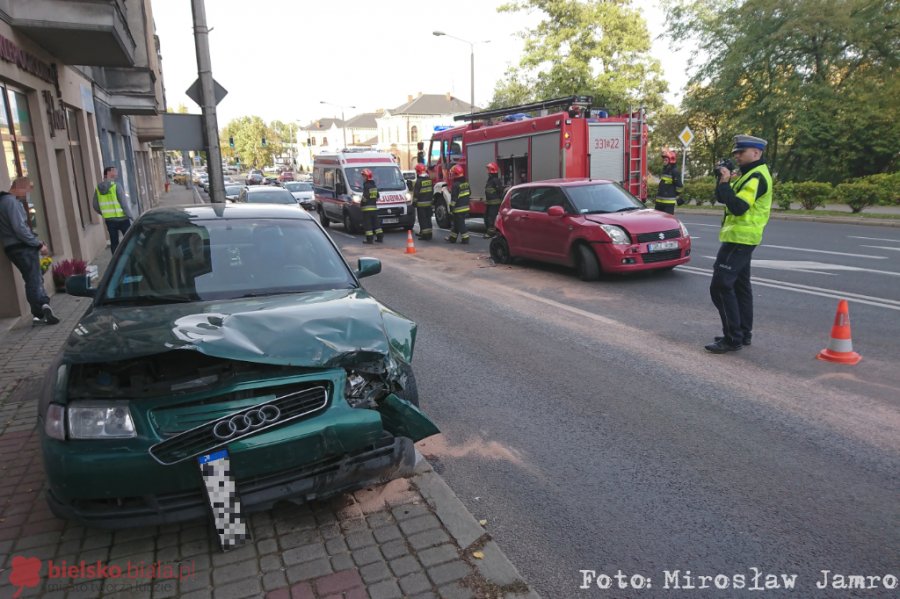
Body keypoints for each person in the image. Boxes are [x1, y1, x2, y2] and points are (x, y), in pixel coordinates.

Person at [706, 134, 773, 354]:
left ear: (756, 153)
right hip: (741, 238)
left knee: (720, 287)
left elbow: (738, 207)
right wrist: (722, 179)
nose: (736, 156)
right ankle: (743, 334)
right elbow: (723, 198)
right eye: (735, 153)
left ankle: (732, 337)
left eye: (740, 153)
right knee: (741, 287)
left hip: (739, 240)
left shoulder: (756, 177)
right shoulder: (748, 174)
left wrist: (726, 181)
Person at [0, 177, 59, 325]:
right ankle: (42, 307)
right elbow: (20, 229)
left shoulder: (3, 202)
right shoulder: (11, 202)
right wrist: (38, 244)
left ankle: (38, 315)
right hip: (22, 247)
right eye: (27, 191)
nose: (27, 195)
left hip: (12, 247)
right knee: (34, 279)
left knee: (31, 278)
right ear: (19, 187)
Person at [92, 166, 135, 254]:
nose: (117, 172)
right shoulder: (116, 186)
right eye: (114, 171)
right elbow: (124, 204)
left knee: (114, 242)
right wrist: (131, 217)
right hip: (123, 219)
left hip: (110, 220)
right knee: (129, 241)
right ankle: (131, 259)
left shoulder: (98, 188)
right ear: (108, 173)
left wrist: (104, 213)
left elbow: (95, 205)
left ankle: (116, 263)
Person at [445, 164, 470, 244]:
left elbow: (454, 198)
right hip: (465, 206)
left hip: (458, 208)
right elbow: (469, 193)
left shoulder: (455, 185)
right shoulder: (466, 183)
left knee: (460, 224)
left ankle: (465, 238)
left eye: (453, 173)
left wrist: (451, 207)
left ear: (455, 174)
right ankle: (452, 238)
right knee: (456, 223)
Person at [655, 149, 684, 214]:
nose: (664, 162)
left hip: (668, 203)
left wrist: (675, 194)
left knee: (667, 221)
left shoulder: (674, 171)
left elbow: (680, 187)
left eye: (666, 160)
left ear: (671, 161)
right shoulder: (665, 170)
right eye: (664, 160)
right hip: (659, 202)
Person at [360, 168, 383, 244]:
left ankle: (369, 240)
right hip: (374, 208)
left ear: (366, 176)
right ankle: (380, 237)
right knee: (376, 223)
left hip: (367, 209)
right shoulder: (374, 185)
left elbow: (364, 197)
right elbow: (377, 196)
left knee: (368, 225)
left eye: (363, 176)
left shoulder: (366, 186)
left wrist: (361, 204)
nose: (362, 178)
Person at [412, 163, 433, 240]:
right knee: (428, 219)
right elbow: (432, 191)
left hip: (421, 204)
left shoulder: (419, 181)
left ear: (418, 171)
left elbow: (416, 194)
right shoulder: (429, 180)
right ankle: (429, 234)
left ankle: (425, 235)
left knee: (423, 220)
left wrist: (414, 202)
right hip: (429, 203)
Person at [483, 162, 503, 238]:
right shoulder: (490, 180)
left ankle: (491, 233)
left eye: (488, 169)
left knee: (492, 218)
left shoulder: (495, 180)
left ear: (492, 170)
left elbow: (500, 190)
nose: (487, 171)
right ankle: (489, 231)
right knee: (486, 217)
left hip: (494, 204)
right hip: (489, 203)